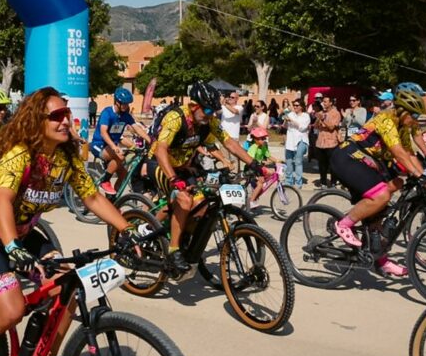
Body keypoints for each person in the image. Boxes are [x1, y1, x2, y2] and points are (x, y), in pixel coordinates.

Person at [0, 87, 137, 356]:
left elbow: (92, 197)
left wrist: (127, 228)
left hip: (23, 234)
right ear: (37, 121)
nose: (66, 121)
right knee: (11, 311)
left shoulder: (66, 157)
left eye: (67, 114)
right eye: (57, 115)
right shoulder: (20, 154)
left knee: (68, 287)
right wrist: (12, 246)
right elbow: (2, 199)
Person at [144, 82, 259, 277]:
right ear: (194, 105)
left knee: (203, 205)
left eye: (213, 111)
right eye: (207, 109)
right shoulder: (175, 118)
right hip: (161, 164)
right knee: (184, 199)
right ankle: (172, 250)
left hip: (184, 167)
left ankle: (180, 237)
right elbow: (161, 149)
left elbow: (228, 142)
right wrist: (173, 178)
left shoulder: (208, 121)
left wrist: (254, 163)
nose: (210, 115)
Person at [331, 82, 426, 277]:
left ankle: (380, 260)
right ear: (402, 111)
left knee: (383, 206)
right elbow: (398, 152)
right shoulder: (386, 119)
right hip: (348, 156)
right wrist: (417, 174)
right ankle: (343, 224)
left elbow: (409, 153)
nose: (416, 120)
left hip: (369, 162)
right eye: (414, 115)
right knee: (381, 195)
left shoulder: (402, 126)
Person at [89, 87, 150, 194]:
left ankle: (113, 198)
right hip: (99, 145)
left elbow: (137, 128)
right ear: (117, 102)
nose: (127, 106)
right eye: (125, 104)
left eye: (128, 104)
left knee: (124, 175)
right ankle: (105, 181)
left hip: (112, 148)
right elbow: (103, 132)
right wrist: (114, 147)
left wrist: (150, 140)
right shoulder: (107, 113)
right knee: (120, 156)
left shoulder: (125, 116)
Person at [246, 127, 282, 208]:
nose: (263, 140)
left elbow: (268, 156)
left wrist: (277, 160)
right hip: (252, 168)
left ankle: (256, 189)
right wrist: (261, 163)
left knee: (271, 173)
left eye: (264, 138)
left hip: (258, 167)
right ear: (255, 139)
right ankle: (251, 201)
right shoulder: (253, 147)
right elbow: (250, 160)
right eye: (261, 139)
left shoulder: (263, 147)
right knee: (260, 183)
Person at [313, 95, 342, 188]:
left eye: (325, 101)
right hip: (320, 142)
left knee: (332, 164)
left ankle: (333, 183)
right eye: (323, 102)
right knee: (322, 165)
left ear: (330, 103)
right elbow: (316, 126)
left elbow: (331, 127)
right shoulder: (321, 112)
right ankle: (323, 183)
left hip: (331, 142)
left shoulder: (336, 113)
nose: (323, 103)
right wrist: (318, 120)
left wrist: (323, 119)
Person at [282, 100, 311, 188]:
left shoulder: (306, 116)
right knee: (289, 161)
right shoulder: (291, 114)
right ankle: (288, 180)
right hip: (290, 140)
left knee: (298, 162)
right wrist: (286, 120)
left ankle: (298, 182)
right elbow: (285, 126)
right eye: (294, 105)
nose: (295, 107)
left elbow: (302, 128)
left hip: (301, 140)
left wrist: (291, 120)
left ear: (301, 106)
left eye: (297, 105)